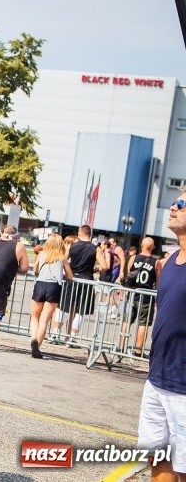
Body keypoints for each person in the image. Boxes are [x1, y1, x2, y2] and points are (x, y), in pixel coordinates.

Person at [137, 195, 186, 482]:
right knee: (158, 458)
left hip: (184, 385)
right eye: (174, 202)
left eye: (182, 205)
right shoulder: (167, 263)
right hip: (157, 379)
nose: (174, 207)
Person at [53, 225, 107, 340]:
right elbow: (104, 266)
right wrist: (94, 269)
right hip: (87, 280)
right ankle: (72, 337)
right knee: (80, 310)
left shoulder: (71, 246)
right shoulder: (95, 249)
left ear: (79, 233)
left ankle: (55, 333)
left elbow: (63, 260)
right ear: (90, 234)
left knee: (62, 306)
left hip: (71, 278)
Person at [29, 233, 72, 359]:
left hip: (40, 284)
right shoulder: (62, 257)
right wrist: (60, 274)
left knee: (35, 317)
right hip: (54, 286)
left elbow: (35, 270)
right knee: (44, 320)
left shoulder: (42, 254)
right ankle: (37, 346)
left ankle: (33, 338)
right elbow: (70, 276)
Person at [118, 236, 158, 358]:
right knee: (143, 323)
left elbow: (128, 274)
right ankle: (138, 350)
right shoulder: (156, 262)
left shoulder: (133, 258)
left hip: (132, 294)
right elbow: (157, 282)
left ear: (141, 245)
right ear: (153, 247)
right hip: (146, 296)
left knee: (126, 321)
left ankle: (121, 347)